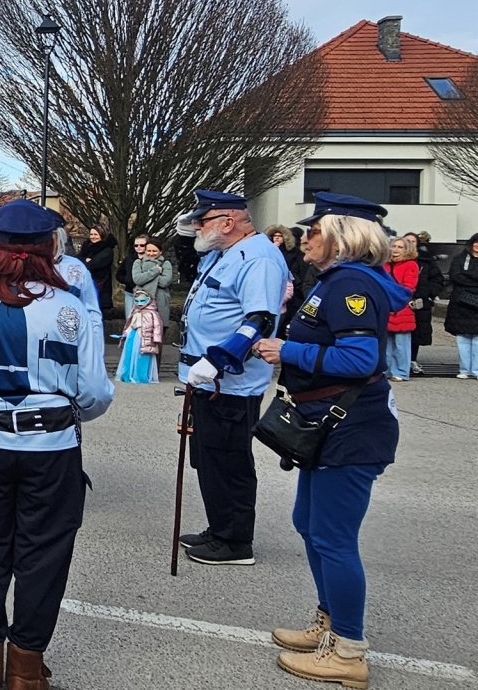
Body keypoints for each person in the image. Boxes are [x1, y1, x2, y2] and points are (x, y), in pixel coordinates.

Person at [0, 199, 114, 690]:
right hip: (52, 447)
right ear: (50, 247)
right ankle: (27, 669)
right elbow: (95, 394)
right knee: (44, 555)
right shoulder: (72, 306)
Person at [250, 192, 408, 689]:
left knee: (333, 538)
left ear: (343, 236)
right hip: (329, 424)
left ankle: (348, 652)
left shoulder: (352, 284)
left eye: (314, 230)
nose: (305, 238)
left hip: (351, 428)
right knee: (309, 524)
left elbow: (360, 359)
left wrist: (287, 350)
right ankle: (330, 621)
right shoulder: (337, 280)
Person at [177, 189, 289, 566]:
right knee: (209, 458)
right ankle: (220, 527)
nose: (197, 227)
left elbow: (259, 320)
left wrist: (219, 360)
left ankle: (235, 541)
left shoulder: (258, 258)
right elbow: (191, 264)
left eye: (203, 221)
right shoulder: (226, 252)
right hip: (208, 381)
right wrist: (185, 233)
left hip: (229, 381)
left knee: (229, 460)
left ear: (228, 222)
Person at [404, 231, 442, 375]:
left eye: (413, 241)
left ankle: (412, 360)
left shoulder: (426, 261)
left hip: (420, 302)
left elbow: (437, 279)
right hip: (401, 301)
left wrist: (428, 293)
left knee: (417, 333)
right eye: (407, 241)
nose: (410, 244)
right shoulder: (393, 260)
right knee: (398, 333)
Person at [384, 237, 418, 382]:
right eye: (394, 246)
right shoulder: (384, 265)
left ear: (407, 250)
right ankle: (386, 370)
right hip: (386, 306)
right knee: (386, 344)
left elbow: (408, 287)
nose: (396, 249)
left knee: (401, 344)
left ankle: (401, 371)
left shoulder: (411, 264)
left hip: (401, 306)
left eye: (400, 247)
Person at [447, 234, 478, 378]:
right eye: (475, 242)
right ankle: (464, 369)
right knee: (462, 339)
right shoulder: (459, 259)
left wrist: (467, 279)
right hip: (461, 304)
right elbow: (455, 276)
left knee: (477, 341)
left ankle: (476, 369)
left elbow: (461, 277)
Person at [116, 291, 162, 383]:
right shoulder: (135, 311)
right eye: (137, 301)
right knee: (130, 354)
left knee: (142, 356)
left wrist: (156, 339)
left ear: (148, 300)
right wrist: (125, 333)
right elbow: (129, 324)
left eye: (142, 301)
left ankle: (140, 375)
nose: (139, 303)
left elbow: (157, 326)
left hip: (144, 337)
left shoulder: (152, 313)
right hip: (133, 336)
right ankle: (129, 374)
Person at [131, 237, 174, 331]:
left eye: (154, 251)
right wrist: (156, 271)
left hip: (160, 303)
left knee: (159, 333)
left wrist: (145, 277)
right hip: (141, 303)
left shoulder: (166, 263)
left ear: (160, 252)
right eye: (148, 251)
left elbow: (164, 282)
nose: (151, 253)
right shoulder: (138, 262)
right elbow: (137, 279)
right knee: (140, 333)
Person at [79, 225, 117, 313]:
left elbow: (93, 264)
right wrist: (85, 260)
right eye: (91, 234)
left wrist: (86, 261)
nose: (93, 237)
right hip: (86, 283)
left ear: (102, 235)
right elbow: (77, 259)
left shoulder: (107, 250)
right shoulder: (86, 246)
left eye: (96, 234)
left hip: (100, 285)